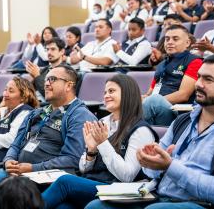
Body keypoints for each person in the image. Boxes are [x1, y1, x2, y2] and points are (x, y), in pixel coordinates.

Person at [86, 53, 214, 209]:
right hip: (157, 196)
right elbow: (151, 173)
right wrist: (150, 160)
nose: (198, 84)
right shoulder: (182, 121)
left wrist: (170, 165)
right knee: (96, 206)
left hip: (199, 203)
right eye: (199, 77)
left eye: (208, 79)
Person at [0, 65, 96, 209]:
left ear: (69, 85)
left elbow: (72, 159)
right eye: (47, 79)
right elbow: (15, 144)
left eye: (53, 79)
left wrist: (32, 168)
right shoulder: (36, 113)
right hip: (16, 172)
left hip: (43, 180)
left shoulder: (79, 115)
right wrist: (8, 160)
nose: (47, 83)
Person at [42, 74, 158, 209]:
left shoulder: (141, 131)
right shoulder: (103, 122)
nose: (106, 95)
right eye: (105, 92)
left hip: (121, 190)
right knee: (63, 207)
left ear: (127, 94)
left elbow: (127, 176)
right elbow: (83, 168)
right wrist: (91, 152)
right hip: (95, 183)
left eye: (112, 91)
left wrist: (103, 144)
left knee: (64, 182)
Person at [143, 25, 203, 126]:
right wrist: (141, 99)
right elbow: (150, 92)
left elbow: (183, 94)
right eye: (167, 39)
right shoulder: (161, 64)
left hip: (177, 112)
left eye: (175, 39)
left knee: (153, 100)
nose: (170, 42)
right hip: (154, 107)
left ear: (187, 43)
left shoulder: (195, 61)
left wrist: (153, 101)